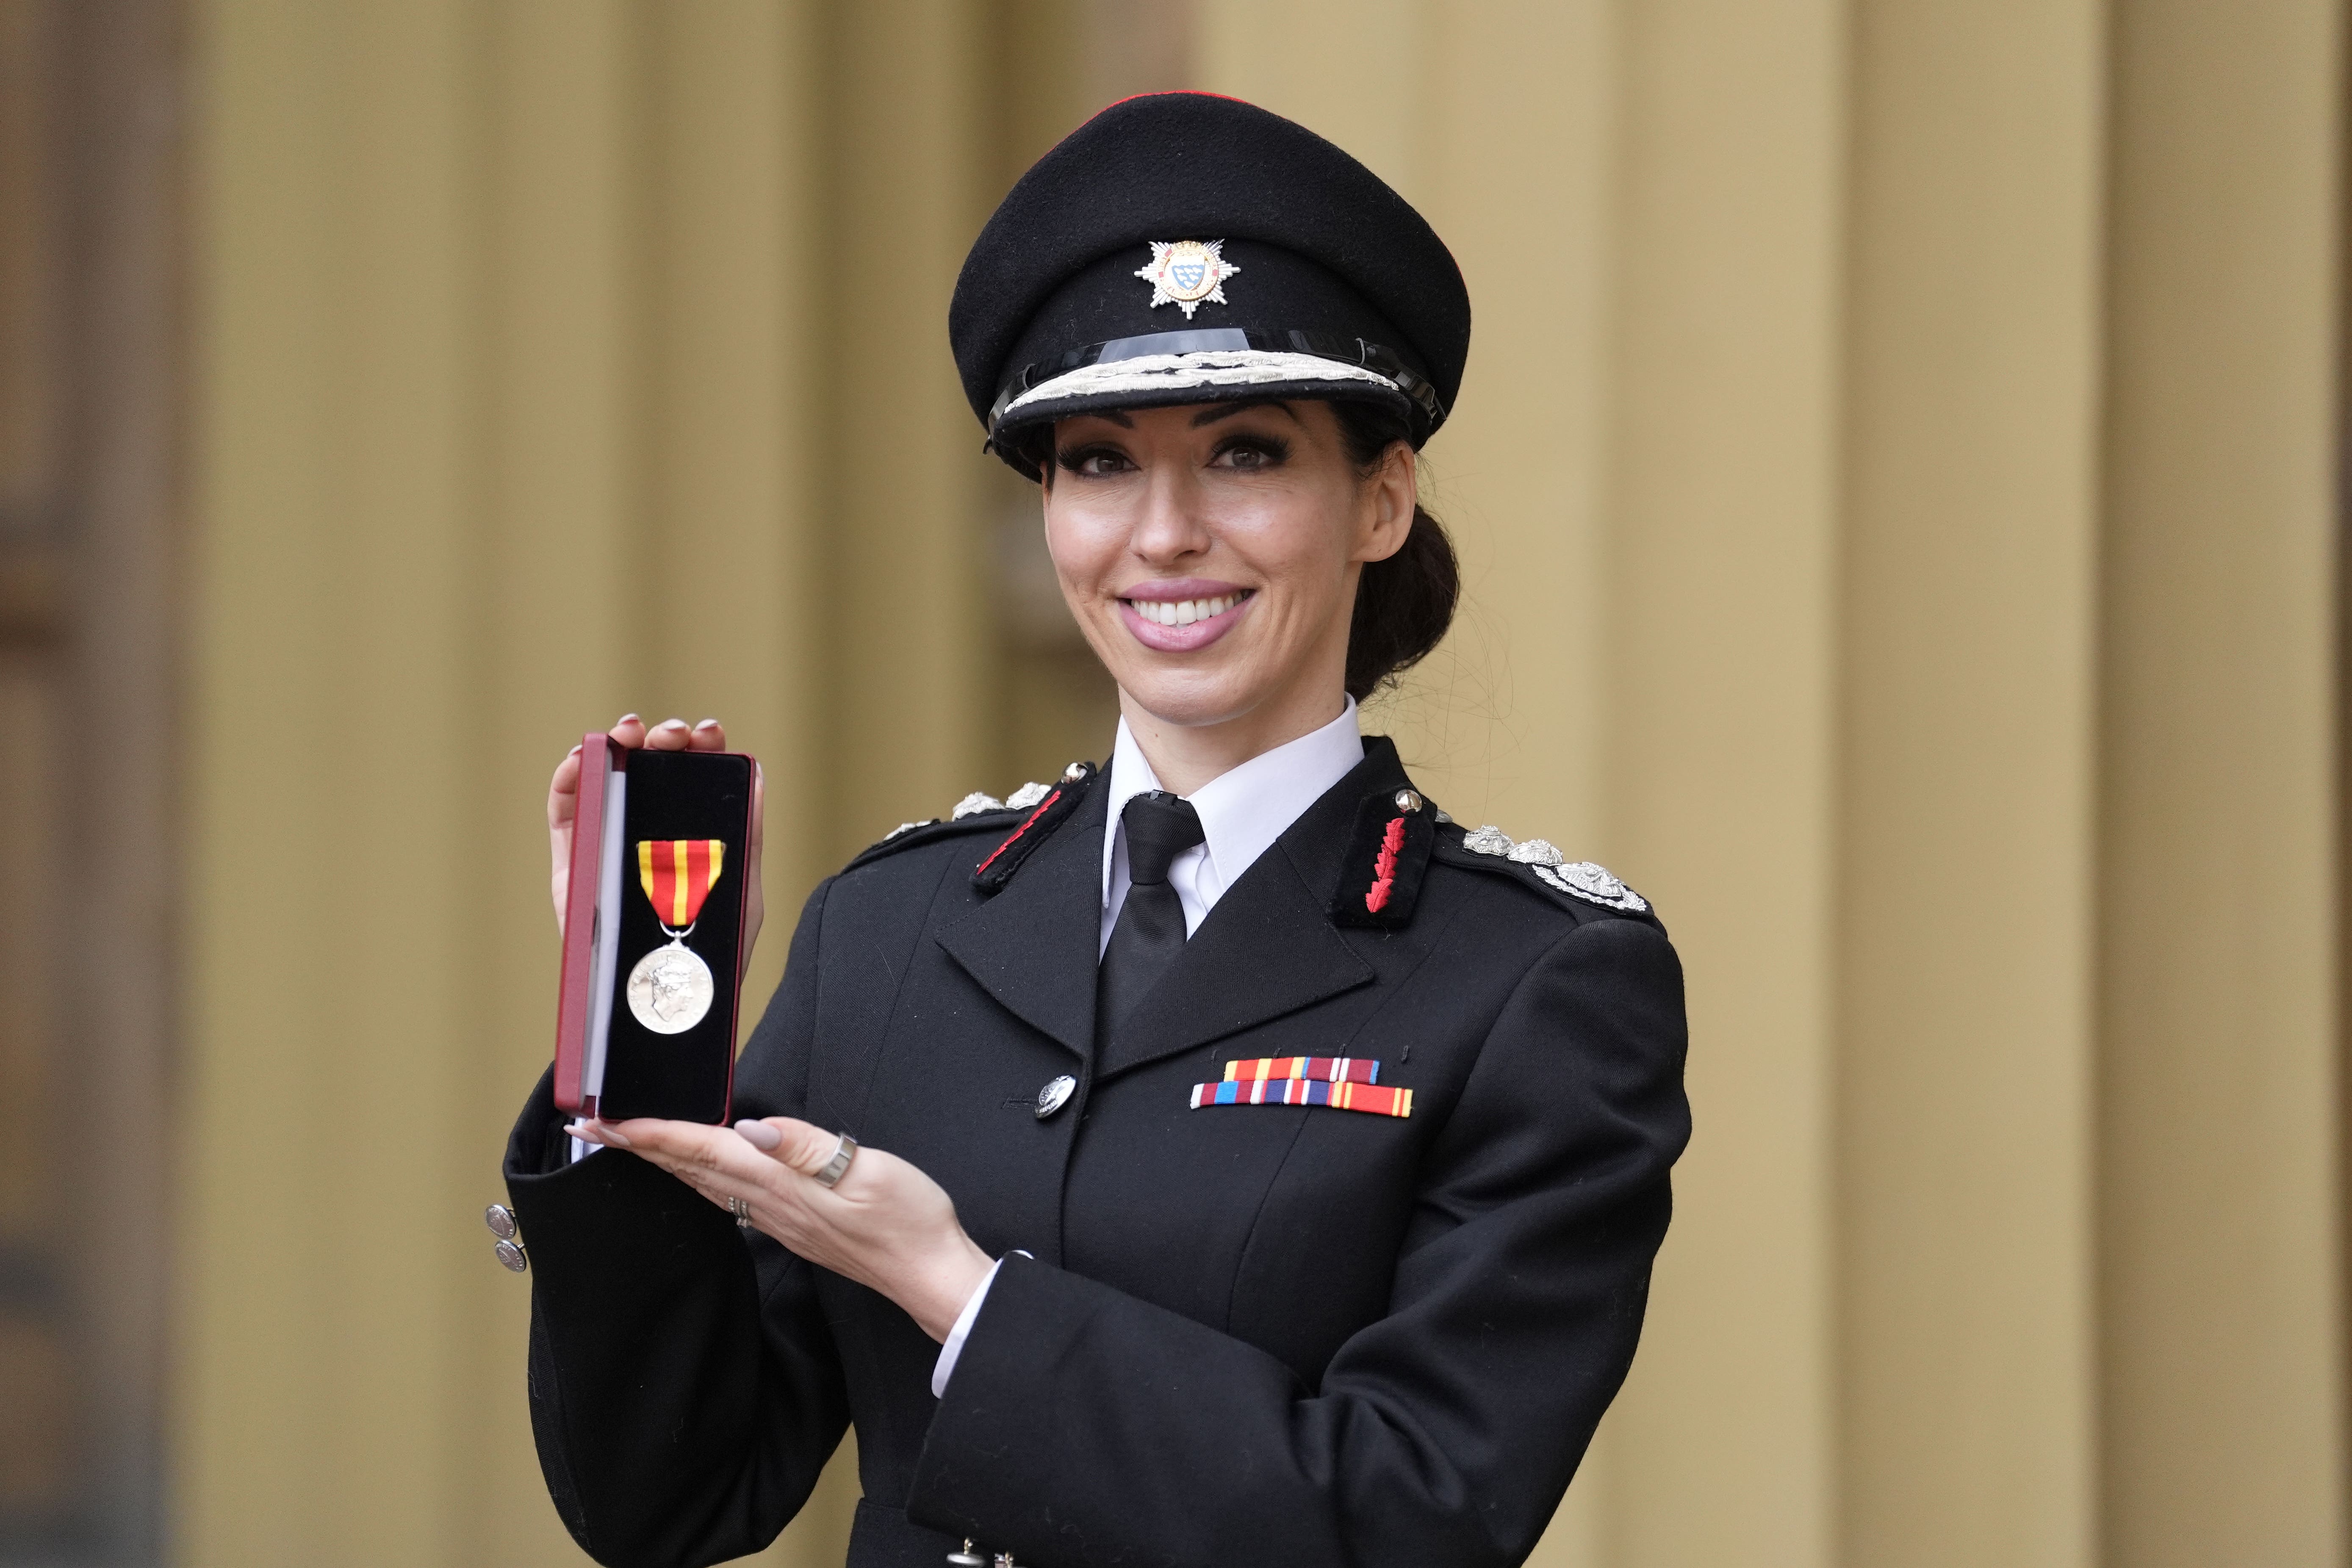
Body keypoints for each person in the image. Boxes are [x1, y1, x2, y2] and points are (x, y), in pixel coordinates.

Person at [498, 92, 1690, 1568]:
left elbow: (1409, 1519)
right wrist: (629, 1039)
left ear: (1379, 499)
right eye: (1099, 461)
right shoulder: (891, 931)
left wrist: (956, 1291)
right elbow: (670, 1500)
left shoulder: (1532, 983)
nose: (1163, 531)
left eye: (1246, 452)